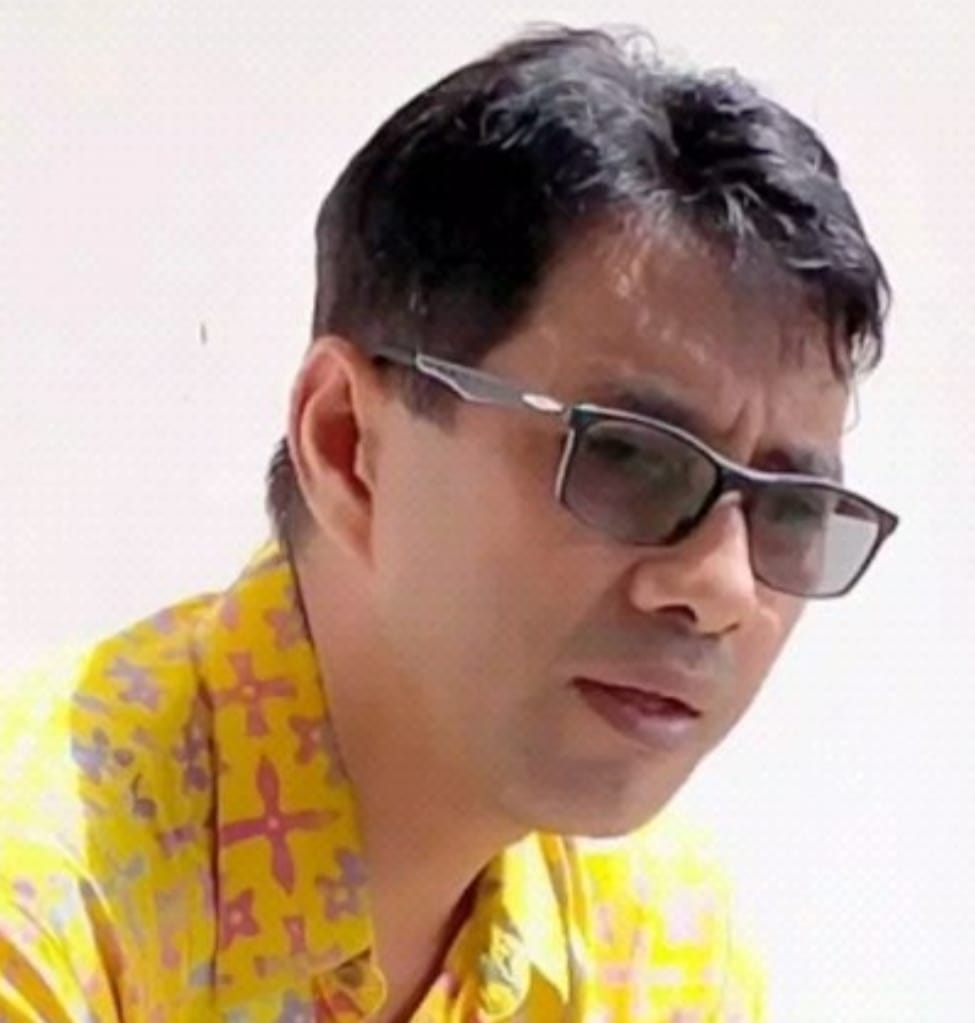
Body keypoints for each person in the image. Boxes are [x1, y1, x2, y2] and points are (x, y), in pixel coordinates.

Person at [0, 24, 899, 1023]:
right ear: (349, 445)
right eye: (629, 458)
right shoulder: (39, 899)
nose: (723, 587)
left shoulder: (656, 932)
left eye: (790, 511)